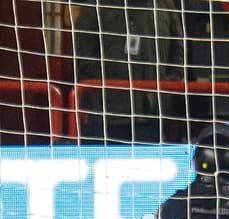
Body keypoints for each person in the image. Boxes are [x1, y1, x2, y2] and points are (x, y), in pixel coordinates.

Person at [72, 0, 185, 142]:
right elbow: (84, 50)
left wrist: (168, 86)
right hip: (107, 114)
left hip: (152, 112)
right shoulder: (96, 5)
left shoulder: (164, 4)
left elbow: (178, 48)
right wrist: (103, 90)